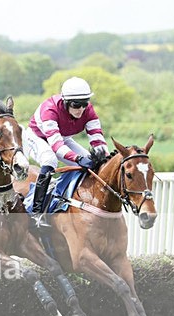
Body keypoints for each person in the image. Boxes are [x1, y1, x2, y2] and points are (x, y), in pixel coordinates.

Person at [23, 76, 109, 228]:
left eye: (84, 104)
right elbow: (56, 147)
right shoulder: (50, 110)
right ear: (65, 102)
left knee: (93, 163)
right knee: (50, 160)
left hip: (63, 137)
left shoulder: (88, 111)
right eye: (76, 105)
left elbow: (97, 139)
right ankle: (36, 213)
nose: (81, 109)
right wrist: (77, 159)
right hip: (37, 137)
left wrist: (107, 159)